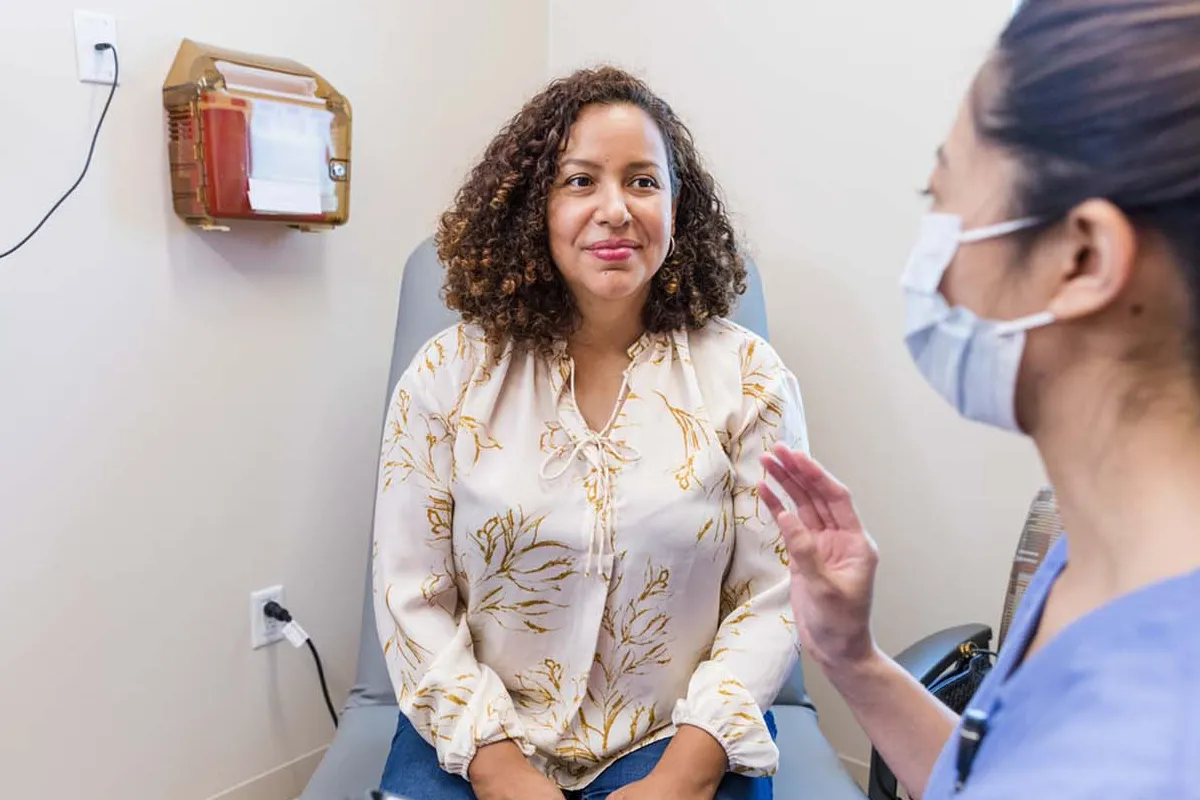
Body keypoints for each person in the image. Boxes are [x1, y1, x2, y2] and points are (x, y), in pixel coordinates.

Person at [762, 1, 1200, 797]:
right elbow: (990, 776)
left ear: (1082, 258)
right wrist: (851, 659)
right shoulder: (1097, 551)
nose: (928, 258)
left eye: (941, 197)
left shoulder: (1156, 747)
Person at [372, 67, 806, 800]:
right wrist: (496, 763)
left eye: (643, 181)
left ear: (678, 206)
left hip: (676, 733)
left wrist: (686, 773)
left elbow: (777, 592)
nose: (615, 210)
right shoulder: (447, 375)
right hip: (482, 730)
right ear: (532, 206)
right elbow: (413, 593)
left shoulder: (748, 378)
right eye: (579, 181)